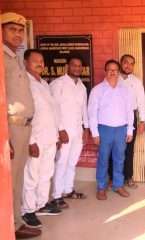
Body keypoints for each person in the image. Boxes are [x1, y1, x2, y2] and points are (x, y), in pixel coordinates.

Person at [1, 12, 41, 238]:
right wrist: (3, 135)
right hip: (10, 127)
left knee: (17, 180)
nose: (17, 34)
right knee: (8, 182)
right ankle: (9, 226)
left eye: (20, 30)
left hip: (24, 127)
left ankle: (15, 223)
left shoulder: (15, 58)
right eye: (11, 29)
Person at [21, 49, 62, 229]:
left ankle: (41, 204)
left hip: (49, 138)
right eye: (35, 60)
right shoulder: (25, 84)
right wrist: (31, 141)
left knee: (46, 174)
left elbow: (51, 112)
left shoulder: (44, 84)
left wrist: (56, 135)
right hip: (35, 139)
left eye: (41, 60)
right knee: (32, 176)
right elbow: (24, 114)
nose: (39, 63)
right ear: (25, 63)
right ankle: (27, 210)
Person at [88, 59, 134, 200]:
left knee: (120, 158)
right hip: (104, 129)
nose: (113, 72)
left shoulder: (124, 91)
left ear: (118, 72)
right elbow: (92, 112)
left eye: (115, 70)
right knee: (103, 159)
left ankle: (118, 185)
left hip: (121, 129)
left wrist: (129, 130)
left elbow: (129, 111)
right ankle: (101, 187)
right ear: (105, 71)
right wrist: (95, 133)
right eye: (110, 70)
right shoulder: (97, 90)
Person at [49, 55, 90, 209]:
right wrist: (60, 129)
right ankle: (57, 195)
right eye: (74, 65)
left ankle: (68, 189)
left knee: (72, 162)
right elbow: (53, 108)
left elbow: (84, 108)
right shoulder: (58, 84)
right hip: (64, 130)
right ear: (68, 66)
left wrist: (86, 128)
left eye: (79, 66)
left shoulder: (82, 86)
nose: (77, 68)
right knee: (61, 162)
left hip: (78, 130)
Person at [107, 54, 145, 189]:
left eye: (131, 63)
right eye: (125, 62)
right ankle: (112, 178)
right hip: (114, 118)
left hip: (131, 118)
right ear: (120, 63)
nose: (128, 66)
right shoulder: (113, 79)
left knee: (129, 149)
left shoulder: (136, 81)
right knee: (114, 149)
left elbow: (141, 102)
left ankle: (128, 177)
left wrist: (142, 121)